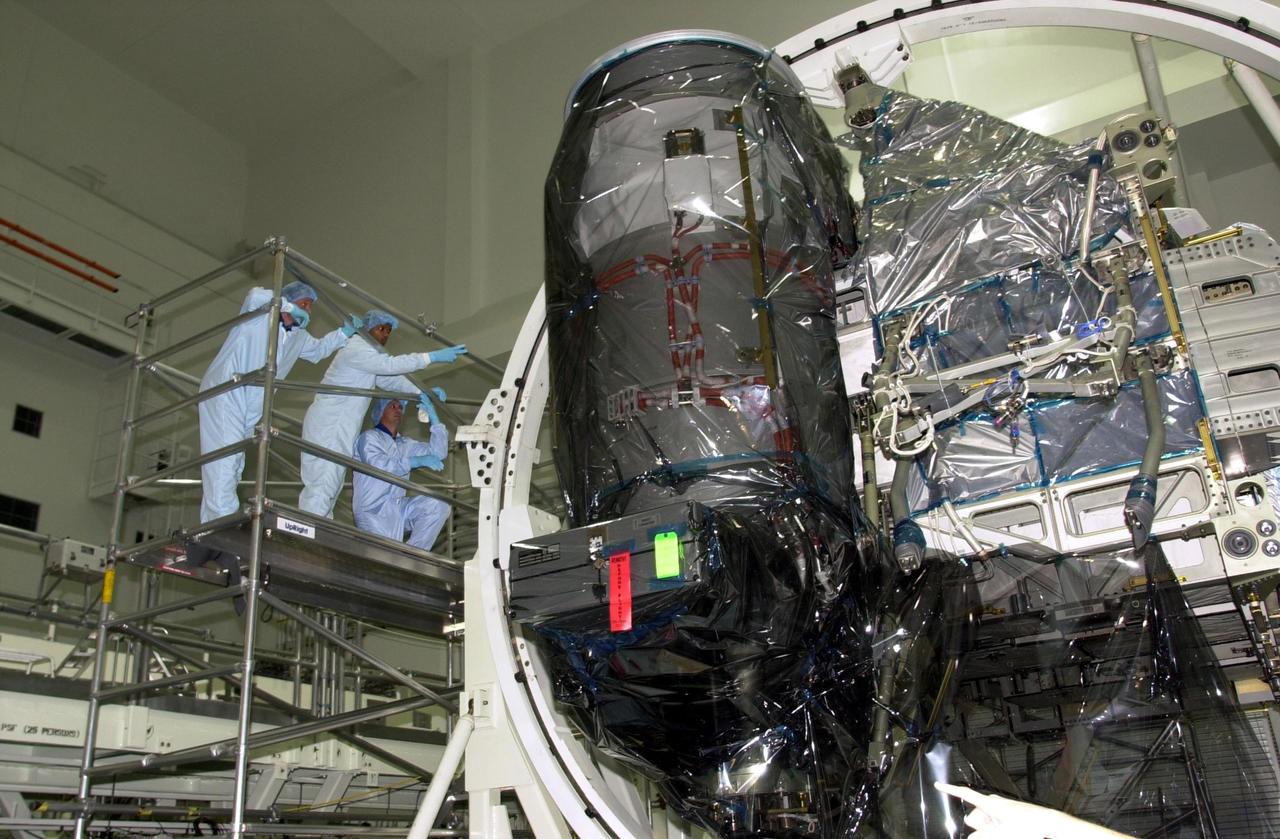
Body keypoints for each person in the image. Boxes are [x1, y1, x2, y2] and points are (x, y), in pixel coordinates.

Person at [198, 280, 352, 522]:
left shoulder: (298, 337)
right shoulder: (259, 315)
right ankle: (220, 529)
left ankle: (213, 526)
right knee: (223, 465)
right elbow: (254, 294)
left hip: (251, 405)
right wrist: (285, 303)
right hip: (226, 391)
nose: (308, 311)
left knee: (235, 466)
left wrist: (344, 333)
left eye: (310, 307)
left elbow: (318, 351)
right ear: (288, 301)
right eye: (304, 304)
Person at [298, 309, 466, 517]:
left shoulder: (369, 358)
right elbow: (389, 366)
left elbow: (390, 379)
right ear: (366, 329)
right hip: (329, 425)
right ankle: (307, 532)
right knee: (323, 481)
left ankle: (317, 531)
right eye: (380, 329)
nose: (385, 334)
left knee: (332, 484)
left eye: (388, 331)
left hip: (340, 427)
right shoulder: (356, 348)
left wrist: (423, 392)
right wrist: (430, 357)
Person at [352, 396, 451, 551]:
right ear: (380, 411)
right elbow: (379, 465)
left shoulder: (404, 443)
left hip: (397, 508)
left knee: (438, 505)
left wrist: (435, 420)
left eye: (400, 407)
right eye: (392, 406)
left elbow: (438, 453)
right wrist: (415, 461)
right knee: (381, 557)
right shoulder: (369, 438)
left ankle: (414, 555)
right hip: (373, 512)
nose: (398, 410)